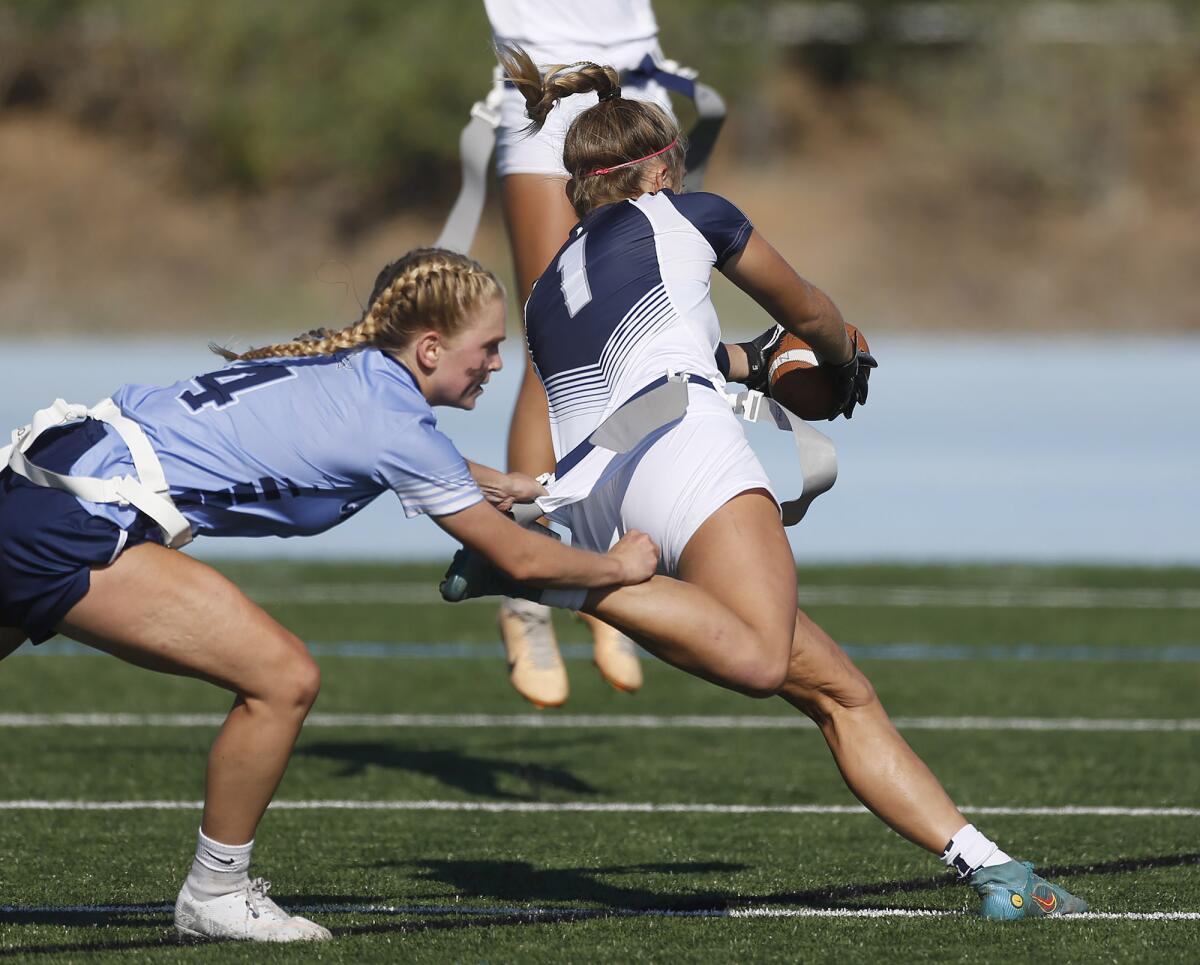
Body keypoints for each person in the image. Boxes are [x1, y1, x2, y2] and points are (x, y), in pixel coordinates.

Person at [447, 47, 1090, 921]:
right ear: (663, 166)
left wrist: (759, 364)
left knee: (837, 689)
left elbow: (683, 352)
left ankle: (992, 869)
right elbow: (815, 310)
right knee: (756, 656)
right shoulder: (691, 210)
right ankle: (538, 573)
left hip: (600, 489)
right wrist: (837, 360)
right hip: (682, 444)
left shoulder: (548, 284)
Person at [0, 247, 659, 943]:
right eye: (489, 348)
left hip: (46, 476)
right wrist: (618, 564)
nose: (498, 364)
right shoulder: (395, 426)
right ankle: (216, 891)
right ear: (431, 348)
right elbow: (518, 556)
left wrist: (494, 482)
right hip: (79, 517)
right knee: (282, 678)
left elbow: (373, 446)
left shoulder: (352, 365)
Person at [484, 0, 681, 707]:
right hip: (548, 85)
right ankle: (525, 588)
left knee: (635, 341)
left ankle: (609, 566)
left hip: (643, 85)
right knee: (554, 346)